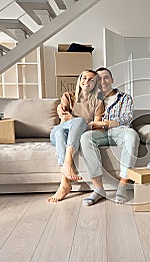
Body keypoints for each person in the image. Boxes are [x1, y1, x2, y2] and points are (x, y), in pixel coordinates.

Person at [80, 67, 140, 206]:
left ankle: (122, 187)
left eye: (106, 77)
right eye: (99, 79)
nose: (103, 81)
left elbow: (126, 118)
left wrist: (100, 123)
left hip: (120, 131)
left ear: (112, 80)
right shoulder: (92, 98)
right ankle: (99, 189)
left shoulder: (125, 98)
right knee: (85, 138)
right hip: (101, 134)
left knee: (132, 136)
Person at [47, 70, 104, 202]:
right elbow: (62, 120)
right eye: (84, 78)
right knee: (69, 127)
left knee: (69, 130)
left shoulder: (98, 103)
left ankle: (65, 184)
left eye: (91, 80)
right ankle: (67, 164)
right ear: (79, 80)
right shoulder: (68, 96)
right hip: (56, 131)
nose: (87, 81)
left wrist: (73, 118)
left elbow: (96, 124)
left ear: (95, 84)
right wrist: (65, 114)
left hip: (68, 136)